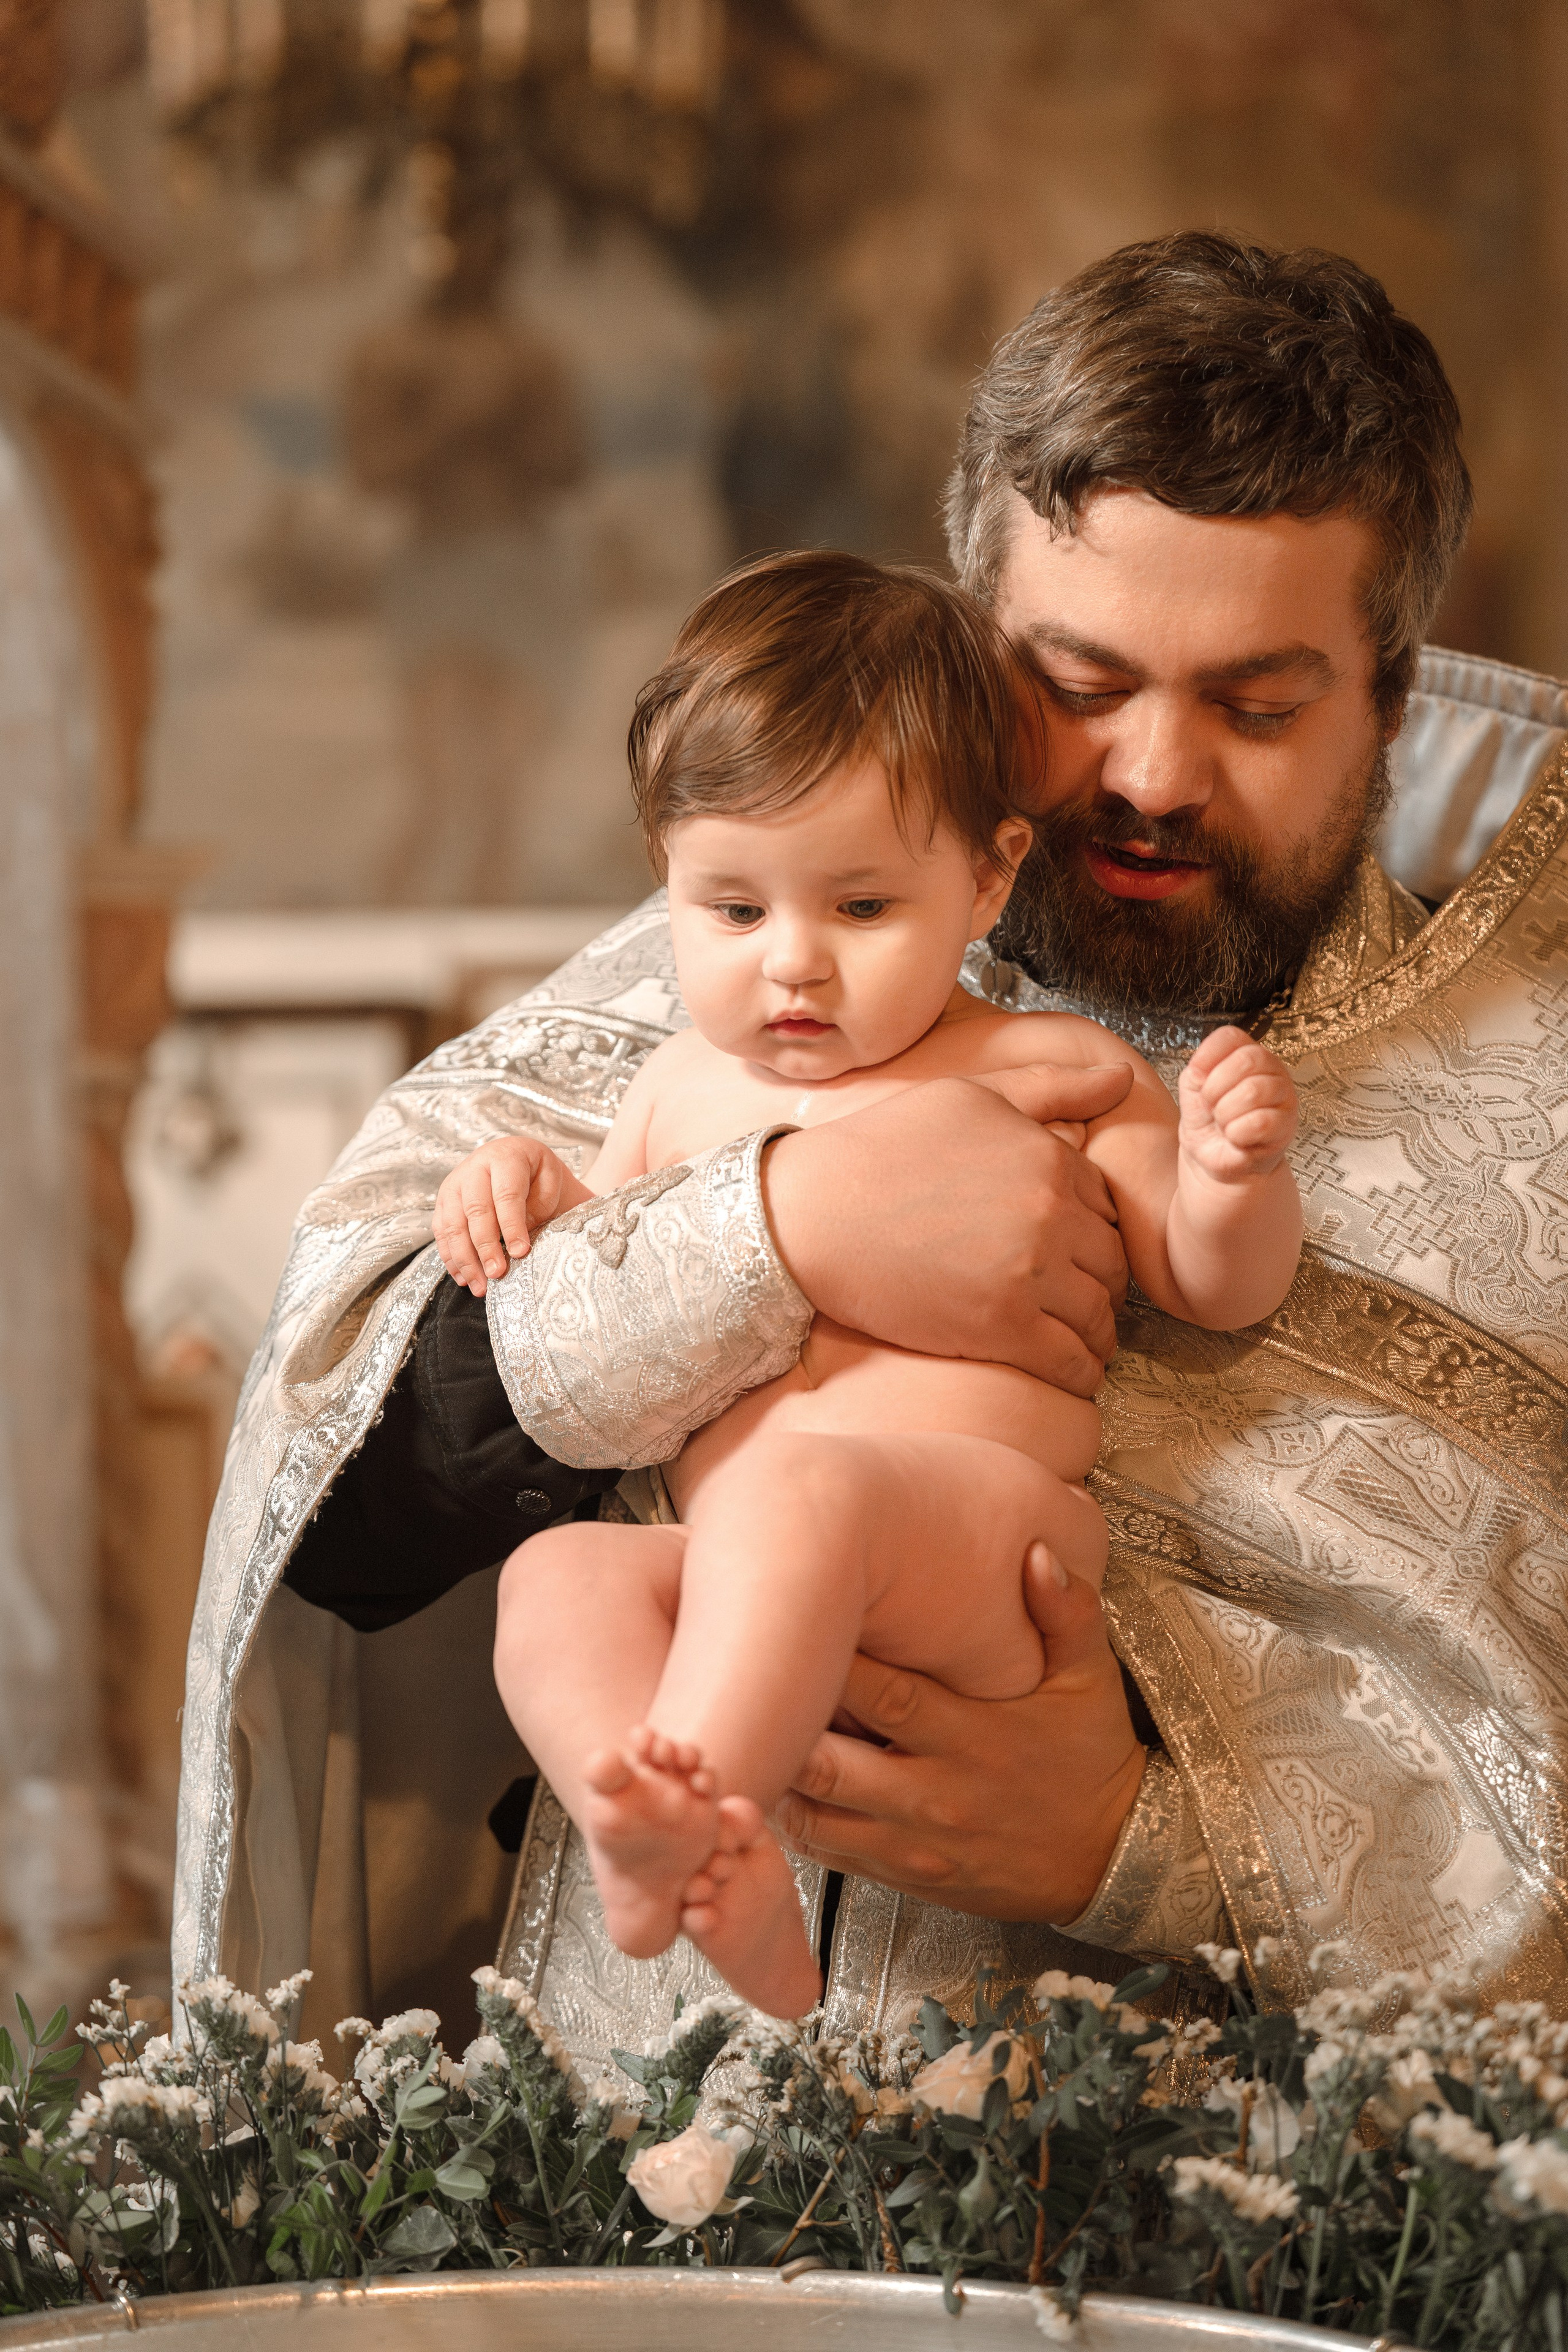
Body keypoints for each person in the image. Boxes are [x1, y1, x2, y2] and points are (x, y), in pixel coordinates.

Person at [175, 231, 1568, 2071]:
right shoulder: (740, 978)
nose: (1149, 772)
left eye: (1256, 704)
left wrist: (1139, 1840)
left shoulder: (1531, 1087)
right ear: (972, 637)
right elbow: (335, 1515)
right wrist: (775, 1231)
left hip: (1263, 2231)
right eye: (1074, 683)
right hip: (652, 2147)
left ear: (1390, 699)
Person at [431, 554, 1302, 2015]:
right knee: (557, 1578)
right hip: (745, 1584)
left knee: (800, 1492)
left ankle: (704, 1798)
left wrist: (1227, 1175)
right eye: (729, 912)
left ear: (986, 877)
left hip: (971, 1553)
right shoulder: (668, 1093)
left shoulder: (1054, 1070)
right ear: (664, 881)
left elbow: (1213, 1286)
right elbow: (614, 1285)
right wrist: (531, 1191)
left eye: (856, 907)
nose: (792, 969)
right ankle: (649, 1815)